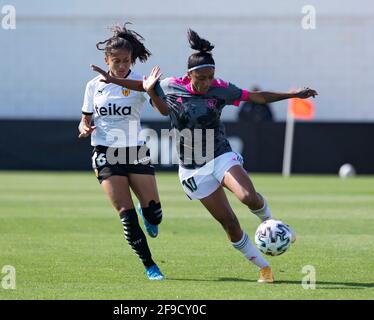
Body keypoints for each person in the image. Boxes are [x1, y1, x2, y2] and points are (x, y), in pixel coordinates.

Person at [91, 29, 317, 283]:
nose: (206, 83)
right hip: (192, 169)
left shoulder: (220, 89)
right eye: (201, 78)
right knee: (229, 223)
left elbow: (257, 97)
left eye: (210, 77)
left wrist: (293, 95)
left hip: (219, 154)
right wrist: (113, 81)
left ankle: (273, 224)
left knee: (247, 196)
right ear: (189, 75)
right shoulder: (171, 86)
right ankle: (264, 268)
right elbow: (142, 87)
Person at [78, 23, 167, 280]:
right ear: (106, 60)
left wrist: (152, 89)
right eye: (115, 60)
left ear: (132, 59)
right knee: (126, 216)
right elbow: (84, 119)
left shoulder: (141, 82)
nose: (120, 65)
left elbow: (163, 111)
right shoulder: (93, 86)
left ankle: (147, 212)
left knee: (155, 217)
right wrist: (85, 127)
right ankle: (150, 266)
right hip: (105, 152)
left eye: (125, 60)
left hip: (134, 152)